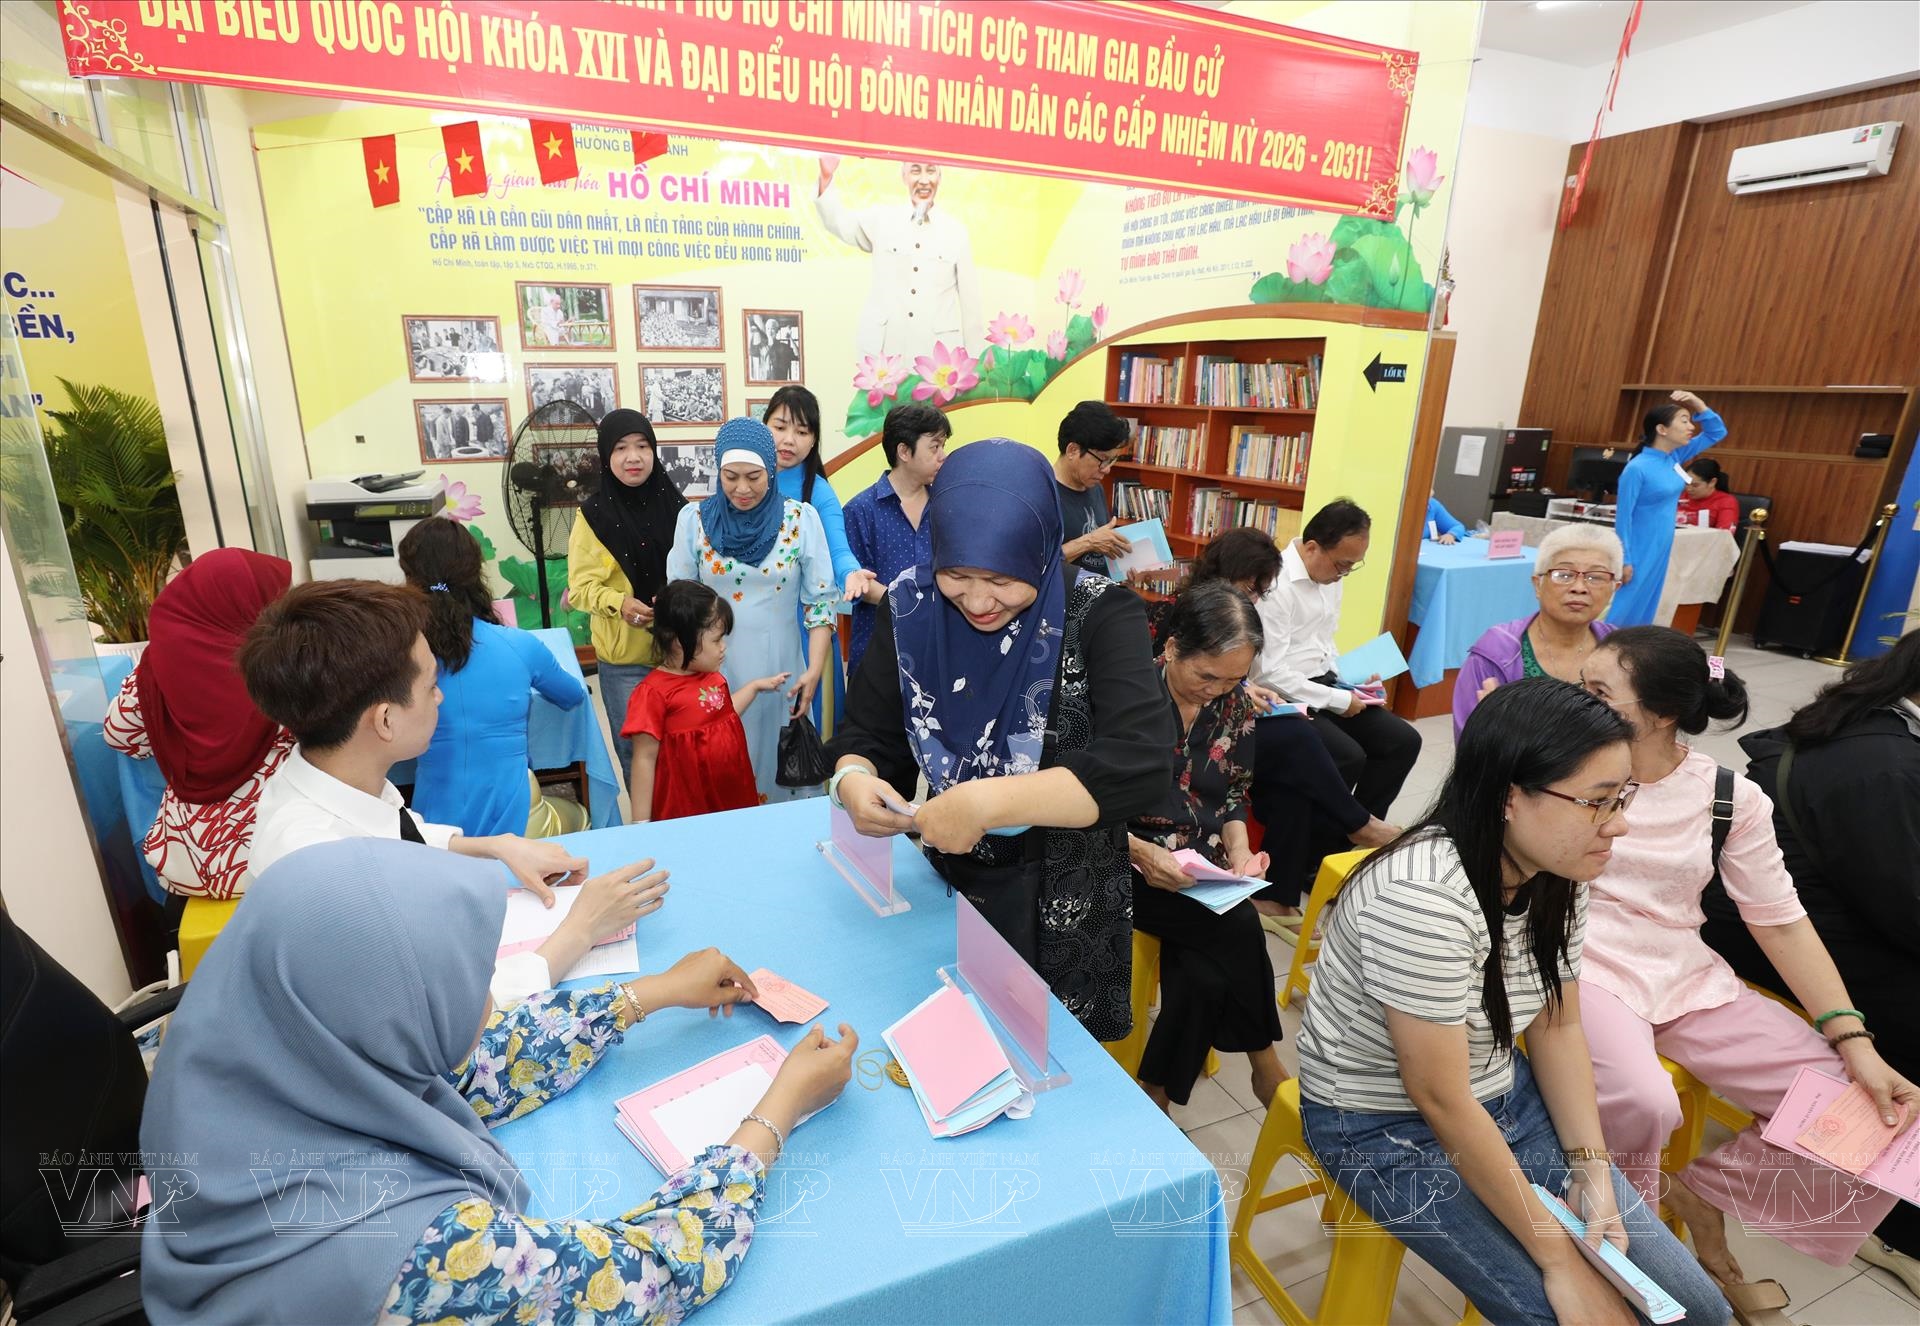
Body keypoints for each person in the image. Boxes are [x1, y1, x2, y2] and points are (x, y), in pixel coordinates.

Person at [138, 837, 858, 1325]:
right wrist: (779, 1108)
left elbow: (475, 1068)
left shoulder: (245, 1056)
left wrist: (651, 994)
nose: (487, 997)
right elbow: (649, 1277)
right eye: (468, 979)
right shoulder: (426, 1254)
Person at [1296, 678, 1731, 1326]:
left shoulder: (1561, 866)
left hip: (1502, 1095)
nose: (1619, 823)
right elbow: (1439, 1097)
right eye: (1597, 802)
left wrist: (1591, 1169)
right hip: (1381, 1126)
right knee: (1566, 1314)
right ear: (1509, 798)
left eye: (1622, 796)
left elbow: (1557, 1025)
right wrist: (1558, 1260)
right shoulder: (1422, 897)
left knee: (1698, 1311)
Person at [1576, 627, 1914, 1294]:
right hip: (1582, 963)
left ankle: (1697, 1194)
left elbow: (1781, 921)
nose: (1577, 701)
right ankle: (1623, 1251)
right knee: (1643, 1101)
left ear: (1662, 712)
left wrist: (1854, 1039)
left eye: (1598, 692)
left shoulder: (1729, 796)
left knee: (1873, 1112)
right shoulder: (1562, 766)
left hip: (1681, 973)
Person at [826, 439, 1173, 1041]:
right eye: (957, 575)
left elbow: (1140, 762)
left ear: (1040, 550)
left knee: (1051, 1053)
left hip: (1068, 893)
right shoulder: (910, 607)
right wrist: (853, 778)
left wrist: (987, 802)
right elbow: (868, 732)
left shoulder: (1100, 613)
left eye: (1003, 580)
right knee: (952, 1038)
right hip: (948, 878)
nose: (979, 601)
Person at [239, 580, 650, 1005]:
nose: (440, 698)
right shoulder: (323, 871)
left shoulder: (333, 777)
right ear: (385, 720)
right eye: (431, 686)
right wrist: (582, 929)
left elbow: (397, 833)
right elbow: (441, 1011)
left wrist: (495, 846)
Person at [1700, 631, 1920, 1288]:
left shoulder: (1875, 719)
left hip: (1807, 906)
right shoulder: (1883, 764)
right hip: (1767, 926)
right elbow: (1903, 905)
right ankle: (1894, 1228)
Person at [1147, 528, 1395, 919]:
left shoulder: (1233, 674)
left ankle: (1282, 890)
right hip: (1188, 755)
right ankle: (1356, 825)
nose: (1255, 600)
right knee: (1301, 740)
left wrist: (1245, 689)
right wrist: (1240, 690)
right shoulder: (1178, 620)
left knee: (1300, 773)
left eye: (1261, 592)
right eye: (1250, 589)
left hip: (1232, 728)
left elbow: (1241, 684)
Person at [1127, 583, 1287, 1111]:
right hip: (1126, 859)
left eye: (1233, 679)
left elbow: (1233, 796)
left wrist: (1239, 855)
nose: (1215, 691)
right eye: (1206, 676)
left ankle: (1156, 1095)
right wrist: (1140, 852)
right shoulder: (1125, 695)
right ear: (1173, 647)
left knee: (1203, 972)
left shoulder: (1233, 703)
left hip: (1198, 864)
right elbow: (1080, 805)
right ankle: (1266, 1065)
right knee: (1237, 923)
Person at [102, 548, 294, 900]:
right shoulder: (281, 664)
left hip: (187, 860)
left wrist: (169, 728)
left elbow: (120, 734)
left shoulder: (156, 668)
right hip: (278, 852)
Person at [666, 418, 837, 803]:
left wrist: (814, 670)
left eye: (754, 477)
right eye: (730, 477)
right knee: (721, 762)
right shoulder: (694, 521)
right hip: (713, 669)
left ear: (771, 471)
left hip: (782, 666)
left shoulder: (799, 520)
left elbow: (820, 602)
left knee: (780, 766)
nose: (742, 489)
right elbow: (680, 604)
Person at [399, 517, 589, 838]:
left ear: (409, 577)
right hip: (518, 822)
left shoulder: (400, 653)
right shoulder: (519, 645)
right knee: (580, 816)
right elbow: (573, 695)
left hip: (434, 829)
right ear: (476, 572)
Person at [1253, 498, 1421, 835]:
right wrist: (1338, 700)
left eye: (1352, 566)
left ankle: (1354, 838)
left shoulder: (1329, 577)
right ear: (1312, 547)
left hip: (1325, 683)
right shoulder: (1276, 584)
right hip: (1283, 695)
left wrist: (1352, 681)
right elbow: (1268, 673)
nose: (1344, 574)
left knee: (1403, 740)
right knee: (1347, 755)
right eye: (1342, 565)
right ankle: (1322, 845)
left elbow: (1325, 642)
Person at [568, 409, 685, 778]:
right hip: (624, 662)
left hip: (678, 651)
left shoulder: (678, 509)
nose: (633, 457)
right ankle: (644, 815)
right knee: (636, 753)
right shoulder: (592, 516)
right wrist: (619, 604)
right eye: (620, 448)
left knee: (682, 749)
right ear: (606, 456)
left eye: (642, 446)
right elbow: (580, 589)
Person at [624, 581, 789, 823]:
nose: (723, 648)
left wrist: (754, 687)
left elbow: (723, 717)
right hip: (687, 806)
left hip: (729, 796)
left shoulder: (713, 678)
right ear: (680, 641)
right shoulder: (653, 693)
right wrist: (641, 825)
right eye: (716, 640)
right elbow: (644, 759)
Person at [763, 386, 872, 734]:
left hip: (808, 627)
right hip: (752, 625)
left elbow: (838, 549)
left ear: (813, 441)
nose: (789, 440)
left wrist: (850, 573)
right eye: (780, 427)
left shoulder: (818, 492)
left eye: (802, 431)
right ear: (763, 426)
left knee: (811, 735)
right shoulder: (743, 485)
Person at [1453, 525, 1623, 740]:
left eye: (1596, 577)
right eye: (1564, 574)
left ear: (1614, 589)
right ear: (1537, 585)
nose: (1579, 587)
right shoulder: (1495, 652)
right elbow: (1472, 744)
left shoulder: (1622, 652)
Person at [814, 155, 983, 362]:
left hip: (937, 359)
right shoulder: (882, 220)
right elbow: (839, 223)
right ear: (903, 176)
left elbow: (971, 306)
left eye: (931, 171)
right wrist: (826, 176)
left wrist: (975, 364)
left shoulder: (956, 232)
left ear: (940, 177)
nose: (924, 180)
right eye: (915, 171)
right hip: (886, 354)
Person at [843, 401, 948, 675]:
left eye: (943, 446)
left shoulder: (946, 506)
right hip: (877, 653)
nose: (943, 456)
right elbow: (858, 583)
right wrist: (912, 606)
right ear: (904, 451)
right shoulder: (860, 510)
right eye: (934, 447)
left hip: (935, 654)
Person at [1610, 390, 1727, 626]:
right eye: (1684, 421)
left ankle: (1633, 647)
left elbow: (1717, 432)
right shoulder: (1637, 468)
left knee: (1646, 604)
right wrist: (1625, 559)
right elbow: (1623, 518)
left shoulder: (1674, 457)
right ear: (1662, 429)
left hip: (1662, 543)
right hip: (1639, 545)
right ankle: (1603, 644)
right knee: (1624, 605)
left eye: (1690, 420)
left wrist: (1697, 403)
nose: (1691, 427)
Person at [1054, 401, 1134, 576]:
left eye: (1112, 460)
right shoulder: (1044, 494)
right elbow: (1038, 565)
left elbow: (1101, 556)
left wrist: (1122, 574)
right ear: (1073, 450)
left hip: (1100, 591)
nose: (1107, 469)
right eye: (1103, 460)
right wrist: (1089, 542)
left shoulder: (1095, 488)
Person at [1676, 458, 1740, 531]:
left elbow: (1725, 533)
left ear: (1712, 482)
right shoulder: (1681, 496)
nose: (1689, 489)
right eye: (1686, 484)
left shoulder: (1726, 501)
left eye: (1695, 485)